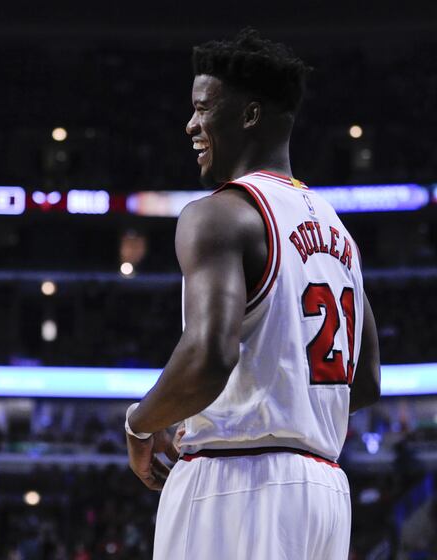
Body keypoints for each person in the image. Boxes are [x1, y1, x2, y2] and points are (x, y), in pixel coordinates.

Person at [124, 29, 381, 559]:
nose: (190, 124)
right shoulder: (338, 232)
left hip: (236, 486)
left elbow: (208, 356)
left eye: (202, 109)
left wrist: (141, 421)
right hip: (325, 493)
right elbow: (368, 380)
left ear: (249, 115)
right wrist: (285, 408)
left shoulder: (217, 214)